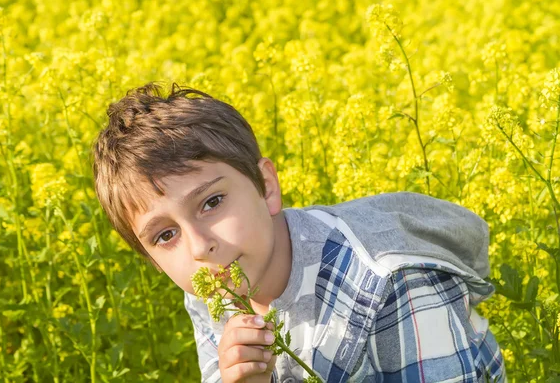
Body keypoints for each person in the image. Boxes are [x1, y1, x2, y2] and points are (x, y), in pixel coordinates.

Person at [92, 82, 506, 382]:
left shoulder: (389, 284)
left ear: (266, 187)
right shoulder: (213, 286)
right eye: (165, 236)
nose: (200, 247)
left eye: (212, 202)